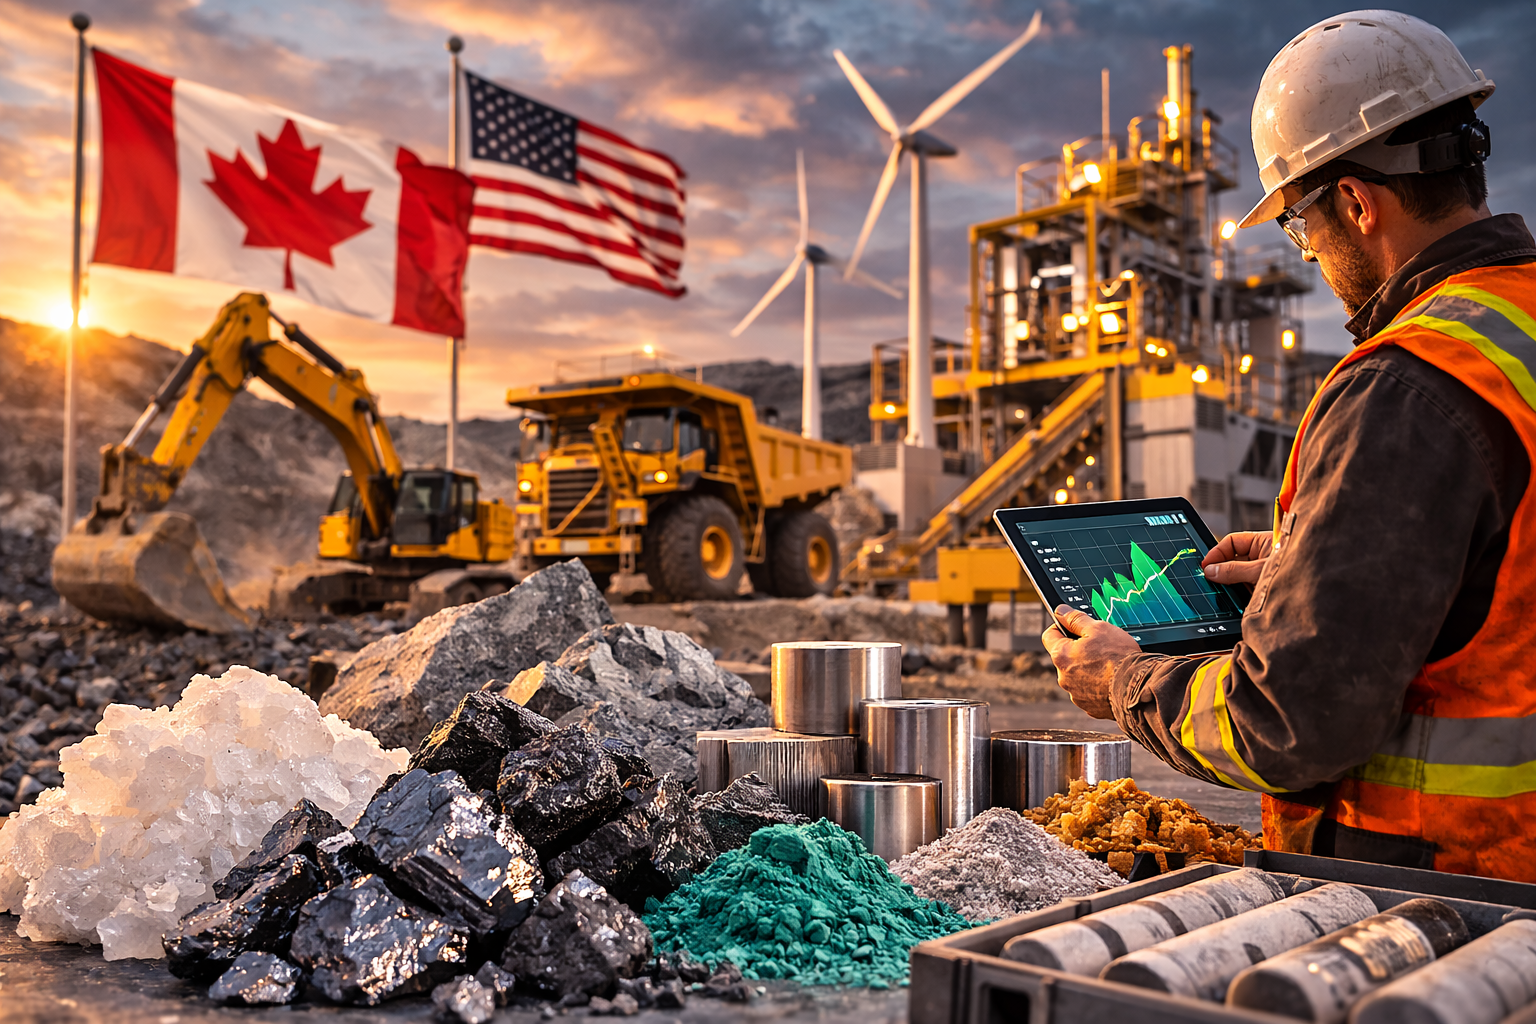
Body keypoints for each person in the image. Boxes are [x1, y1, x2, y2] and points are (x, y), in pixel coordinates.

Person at [1044, 10, 1536, 880]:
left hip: (1448, 892)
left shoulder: (1408, 384)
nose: (1308, 254)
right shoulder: (1514, 327)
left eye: (1300, 226)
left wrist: (1125, 683)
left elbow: (1289, 722)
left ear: (1356, 201)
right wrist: (1328, 559)